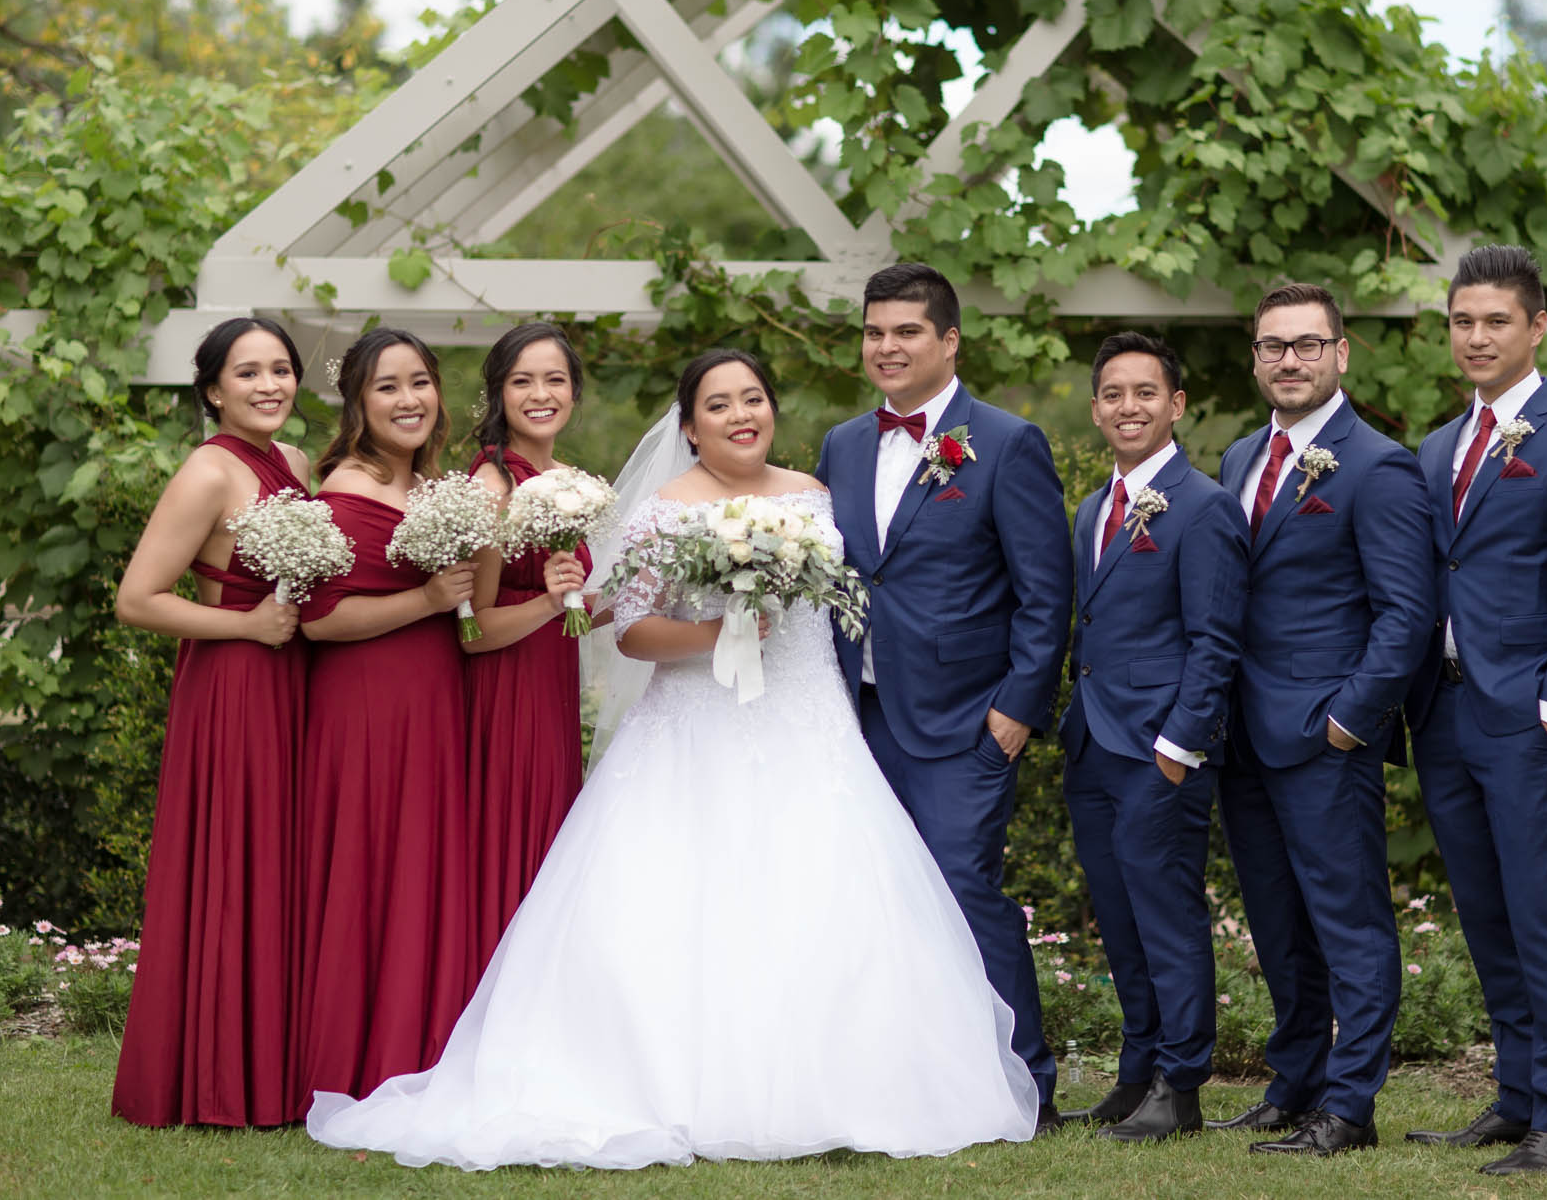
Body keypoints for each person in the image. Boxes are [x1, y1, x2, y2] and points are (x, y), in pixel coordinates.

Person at [306, 349, 1037, 1169]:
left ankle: (848, 1083)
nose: (739, 415)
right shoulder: (665, 508)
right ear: (689, 427)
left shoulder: (815, 493)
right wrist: (718, 628)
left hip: (811, 724)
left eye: (752, 398)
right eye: (717, 405)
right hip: (693, 728)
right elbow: (632, 630)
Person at [815, 263, 1075, 1130]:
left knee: (965, 890)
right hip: (857, 714)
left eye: (906, 331)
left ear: (950, 340)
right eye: (874, 332)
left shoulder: (1005, 441)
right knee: (876, 899)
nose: (886, 347)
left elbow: (1045, 592)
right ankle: (906, 1076)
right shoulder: (843, 444)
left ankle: (1025, 1080)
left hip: (966, 719)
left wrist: (1016, 710)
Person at [1403, 245, 1547, 1176]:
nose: (1478, 336)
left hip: (1526, 716)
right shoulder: (1436, 448)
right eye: (1463, 321)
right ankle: (1519, 1096)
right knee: (1485, 913)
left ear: (1537, 327)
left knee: (1539, 912)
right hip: (1444, 713)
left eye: (1496, 320)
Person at [1211, 284, 1434, 1157]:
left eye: (1308, 344)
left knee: (1350, 925)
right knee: (1278, 924)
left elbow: (1406, 614)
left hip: (1324, 736)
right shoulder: (1239, 457)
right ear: (1256, 358)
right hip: (1243, 734)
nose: (1290, 360)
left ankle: (1349, 1105)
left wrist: (1350, 719)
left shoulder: (1377, 465)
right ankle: (1294, 1084)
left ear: (1341, 353)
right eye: (1274, 345)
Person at [110, 317, 313, 1127]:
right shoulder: (207, 471)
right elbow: (137, 599)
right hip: (234, 682)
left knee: (283, 862)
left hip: (295, 678)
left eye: (281, 369)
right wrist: (248, 625)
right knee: (237, 861)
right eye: (248, 372)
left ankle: (282, 1062)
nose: (269, 385)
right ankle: (221, 1074)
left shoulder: (296, 461)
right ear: (212, 390)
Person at [1057, 331, 1247, 1142]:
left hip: (1161, 751)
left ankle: (1182, 1082)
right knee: (1119, 915)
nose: (1127, 407)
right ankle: (1138, 1071)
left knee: (1167, 917)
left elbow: (1215, 638)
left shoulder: (1203, 506)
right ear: (1096, 408)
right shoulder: (1091, 509)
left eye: (1145, 392)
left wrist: (1180, 745)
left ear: (1176, 405)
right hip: (1095, 743)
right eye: (1113, 393)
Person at [295, 328, 480, 1105]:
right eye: (387, 386)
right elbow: (318, 621)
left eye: (419, 382)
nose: (409, 399)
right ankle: (354, 1055)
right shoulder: (344, 489)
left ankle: (421, 1042)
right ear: (358, 404)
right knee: (370, 868)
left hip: (431, 696)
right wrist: (429, 598)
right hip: (367, 704)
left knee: (421, 868)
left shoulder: (431, 484)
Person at [460, 322, 594, 961]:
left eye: (555, 380)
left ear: (573, 392)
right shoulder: (493, 488)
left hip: (552, 687)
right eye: (522, 381)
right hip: (504, 697)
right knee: (514, 855)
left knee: (552, 853)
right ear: (499, 393)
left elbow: (570, 609)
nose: (541, 394)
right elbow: (472, 631)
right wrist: (547, 601)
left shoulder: (568, 481)